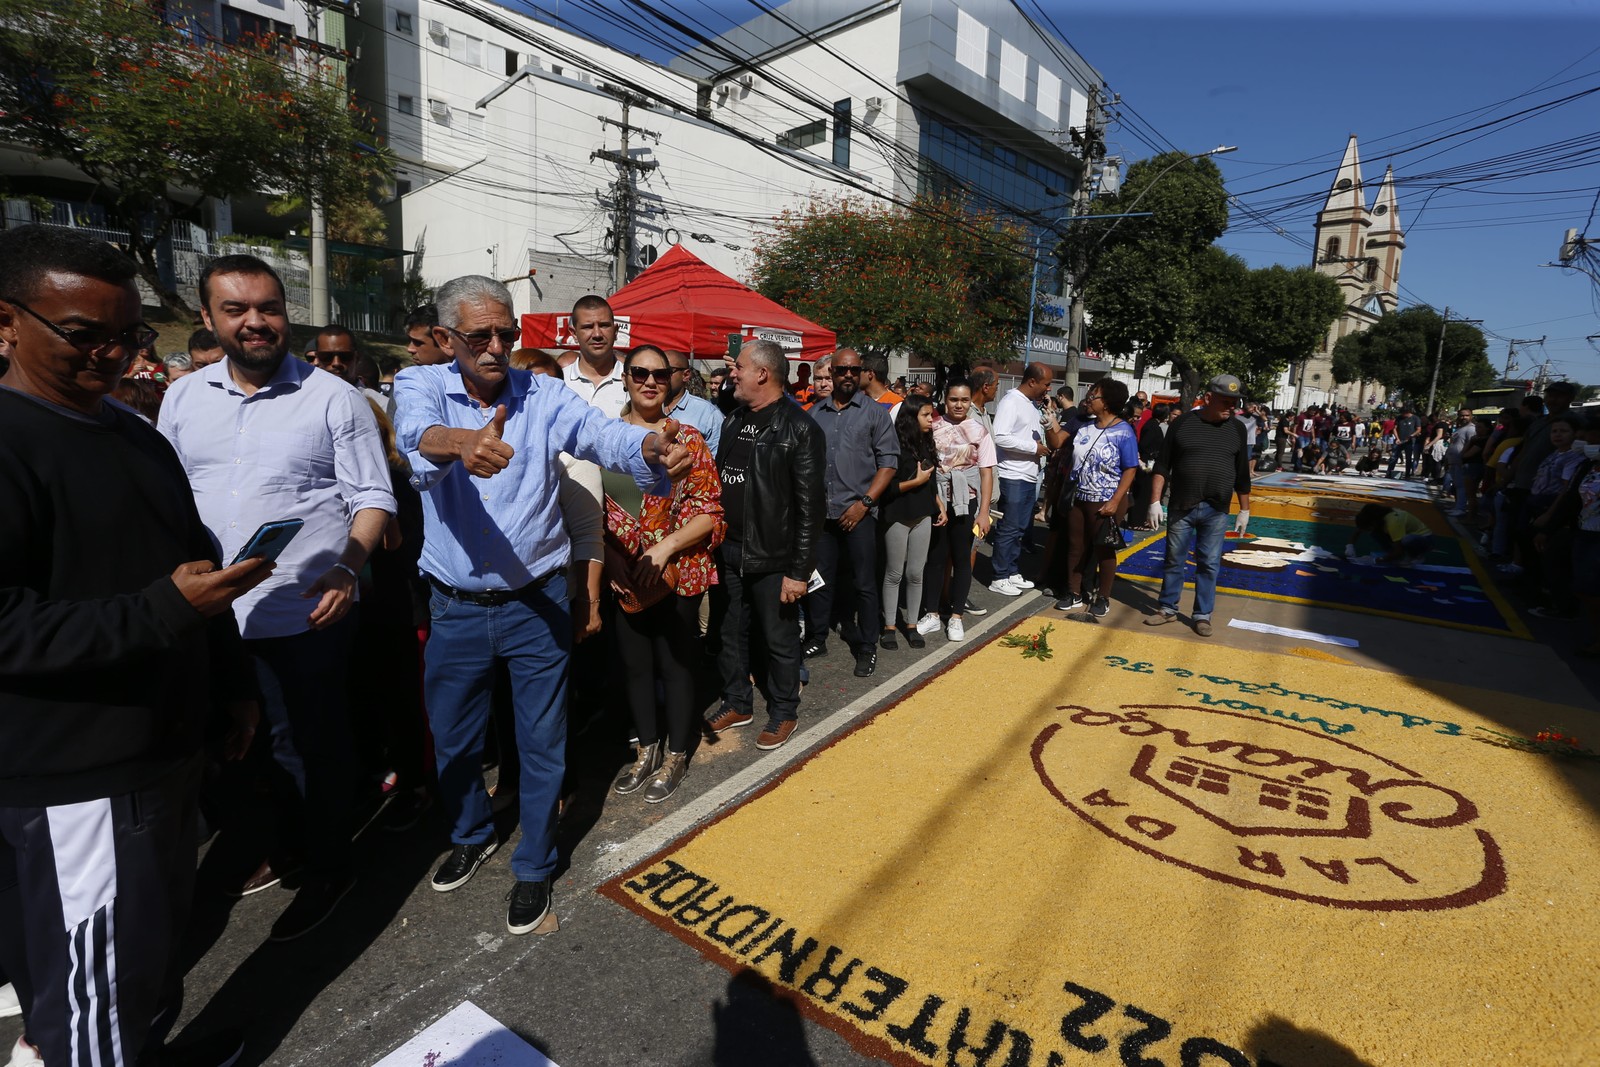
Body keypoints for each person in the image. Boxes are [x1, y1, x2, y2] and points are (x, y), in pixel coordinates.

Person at [0, 225, 267, 1067]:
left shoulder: (135, 435)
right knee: (92, 996)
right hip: (80, 780)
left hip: (166, 751)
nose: (112, 355)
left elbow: (192, 571)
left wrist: (230, 683)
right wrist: (162, 611)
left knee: (142, 959)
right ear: (8, 322)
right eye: (83, 335)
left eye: (128, 336)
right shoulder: (9, 444)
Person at [394, 276, 690, 936]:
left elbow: (599, 438)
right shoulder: (419, 384)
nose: (497, 346)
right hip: (455, 606)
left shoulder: (545, 392)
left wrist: (644, 446)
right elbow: (415, 435)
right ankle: (471, 830)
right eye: (480, 336)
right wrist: (461, 442)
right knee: (456, 738)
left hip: (536, 603)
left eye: (508, 333)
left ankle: (535, 865)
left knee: (542, 742)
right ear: (446, 339)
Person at [160, 255, 397, 942]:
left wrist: (349, 566)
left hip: (303, 610)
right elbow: (169, 493)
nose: (256, 321)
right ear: (208, 318)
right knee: (235, 748)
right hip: (210, 614)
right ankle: (272, 839)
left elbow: (372, 495)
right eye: (236, 309)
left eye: (268, 307)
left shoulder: (332, 397)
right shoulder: (183, 397)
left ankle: (327, 865)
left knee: (308, 744)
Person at [605, 346, 725, 802]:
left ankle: (676, 754)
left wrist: (665, 548)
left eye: (659, 374)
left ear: (672, 380)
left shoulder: (688, 439)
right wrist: (611, 560)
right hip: (625, 573)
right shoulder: (606, 437)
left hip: (679, 570)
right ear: (626, 377)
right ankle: (647, 750)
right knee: (635, 667)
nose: (650, 381)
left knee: (676, 665)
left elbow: (710, 510)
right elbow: (591, 508)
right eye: (640, 372)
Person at [705, 339, 825, 750]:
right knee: (729, 631)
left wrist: (798, 571)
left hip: (774, 556)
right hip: (729, 548)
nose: (731, 372)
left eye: (738, 366)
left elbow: (810, 507)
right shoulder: (734, 420)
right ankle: (738, 701)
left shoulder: (800, 427)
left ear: (762, 373)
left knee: (778, 637)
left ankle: (784, 711)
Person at [803, 347, 899, 677]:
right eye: (841, 370)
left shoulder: (875, 414)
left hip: (859, 512)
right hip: (823, 515)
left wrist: (864, 505)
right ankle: (816, 637)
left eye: (853, 371)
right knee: (820, 580)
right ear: (832, 373)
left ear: (861, 373)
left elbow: (888, 464)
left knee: (863, 583)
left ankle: (867, 645)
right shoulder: (816, 413)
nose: (847, 376)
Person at [1144, 373, 1252, 637]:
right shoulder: (1182, 424)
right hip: (1182, 505)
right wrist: (1155, 501)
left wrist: (1245, 510)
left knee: (1209, 563)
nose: (1232, 407)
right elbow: (1162, 465)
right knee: (1173, 560)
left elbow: (1242, 474)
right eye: (1226, 401)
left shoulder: (1237, 428)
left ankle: (1202, 615)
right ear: (1208, 398)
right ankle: (1168, 609)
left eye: (1235, 402)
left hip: (1217, 509)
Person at [1054, 380, 1139, 618]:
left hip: (1105, 499)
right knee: (1075, 546)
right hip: (1078, 497)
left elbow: (1130, 469)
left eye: (1095, 396)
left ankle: (1103, 596)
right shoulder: (1085, 428)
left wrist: (1114, 501)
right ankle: (1074, 592)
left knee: (1103, 548)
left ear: (1108, 402)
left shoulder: (1124, 432)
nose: (1089, 399)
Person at [917, 380, 994, 641]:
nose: (958, 405)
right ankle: (932, 613)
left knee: (962, 558)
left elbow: (986, 474)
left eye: (963, 400)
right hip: (937, 500)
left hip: (967, 500)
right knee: (936, 557)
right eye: (953, 400)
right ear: (945, 400)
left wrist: (984, 512)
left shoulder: (979, 431)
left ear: (970, 401)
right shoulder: (932, 425)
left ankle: (957, 616)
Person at [879, 396, 945, 650]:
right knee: (894, 573)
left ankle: (912, 625)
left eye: (931, 415)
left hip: (923, 515)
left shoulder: (926, 442)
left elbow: (931, 478)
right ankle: (889, 627)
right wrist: (915, 483)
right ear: (911, 417)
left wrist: (938, 504)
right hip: (897, 515)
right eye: (926, 415)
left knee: (916, 573)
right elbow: (887, 488)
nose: (931, 420)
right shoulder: (893, 445)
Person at [988, 363, 1054, 596]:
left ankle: (1011, 570)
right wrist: (1032, 447)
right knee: (1009, 528)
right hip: (1012, 474)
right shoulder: (1011, 402)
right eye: (1046, 384)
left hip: (1027, 474)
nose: (1048, 389)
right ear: (1032, 381)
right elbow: (1001, 437)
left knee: (1020, 528)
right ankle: (999, 576)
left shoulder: (1029, 404)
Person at [563, 294, 627, 417]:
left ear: (615, 331)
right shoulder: (559, 382)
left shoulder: (636, 382)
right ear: (574, 334)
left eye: (604, 325)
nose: (597, 334)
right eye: (588, 327)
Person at [662, 349, 722, 455]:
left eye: (667, 372)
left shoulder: (708, 413)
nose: (660, 377)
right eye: (657, 372)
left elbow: (715, 460)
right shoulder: (646, 407)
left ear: (686, 375)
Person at [1347, 504, 1433, 564]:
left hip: (1423, 539)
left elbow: (1399, 550)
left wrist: (1376, 560)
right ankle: (1391, 554)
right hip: (1408, 535)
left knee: (1407, 540)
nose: (1367, 530)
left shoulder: (1393, 522)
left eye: (1369, 527)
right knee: (1374, 533)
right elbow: (1359, 529)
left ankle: (1416, 555)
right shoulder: (1375, 517)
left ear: (1374, 522)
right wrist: (1349, 546)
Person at [1387, 406, 1422, 478]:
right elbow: (1395, 428)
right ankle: (1389, 472)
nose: (1403, 415)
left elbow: (1418, 429)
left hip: (1409, 441)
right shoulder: (1399, 418)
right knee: (1393, 457)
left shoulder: (1415, 418)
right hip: (1399, 440)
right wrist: (1397, 438)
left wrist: (1412, 435)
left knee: (1408, 458)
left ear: (1408, 412)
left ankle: (1407, 474)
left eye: (1404, 413)